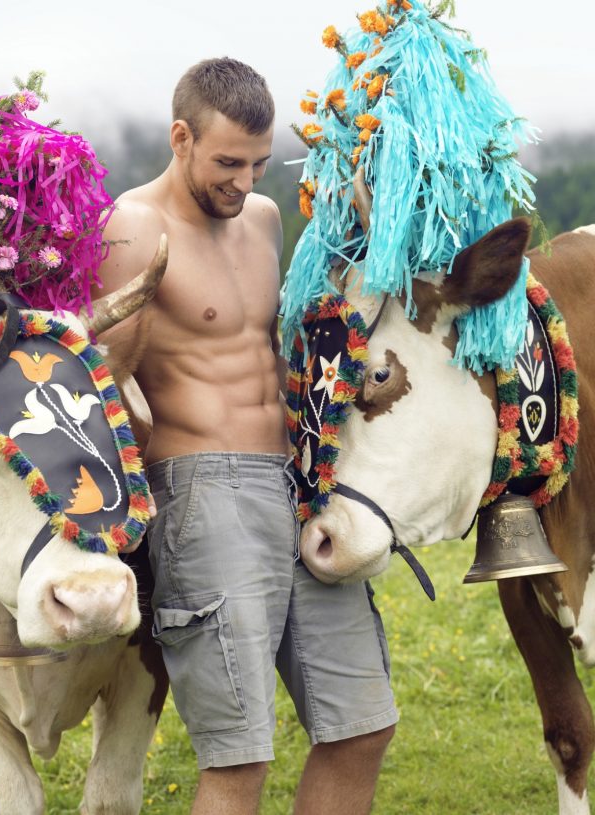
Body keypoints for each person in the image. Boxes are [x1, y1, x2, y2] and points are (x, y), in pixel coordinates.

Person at [95, 56, 397, 815]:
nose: (246, 181)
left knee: (363, 726)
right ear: (181, 138)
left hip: (298, 482)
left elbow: (276, 346)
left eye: (259, 163)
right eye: (228, 162)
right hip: (201, 491)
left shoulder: (261, 218)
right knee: (241, 754)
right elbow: (107, 384)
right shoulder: (134, 226)